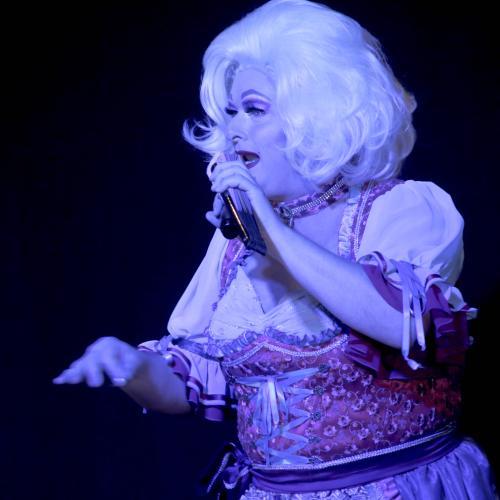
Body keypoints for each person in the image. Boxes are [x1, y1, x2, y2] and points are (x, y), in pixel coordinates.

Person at [53, 0, 498, 498]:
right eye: (231, 112)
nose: (234, 128)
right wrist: (133, 369)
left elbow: (401, 325)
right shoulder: (233, 242)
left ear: (318, 115)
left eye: (254, 109)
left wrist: (269, 229)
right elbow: (199, 383)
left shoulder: (399, 209)